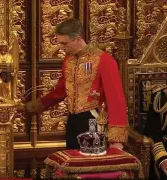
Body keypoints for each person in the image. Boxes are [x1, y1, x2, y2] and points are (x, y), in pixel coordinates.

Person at [18, 18, 128, 150]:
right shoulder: (69, 61)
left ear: (78, 39)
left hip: (92, 121)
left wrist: (117, 140)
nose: (62, 48)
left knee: (89, 165)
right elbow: (59, 92)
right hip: (72, 122)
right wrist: (30, 107)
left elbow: (116, 99)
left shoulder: (104, 60)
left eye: (65, 44)